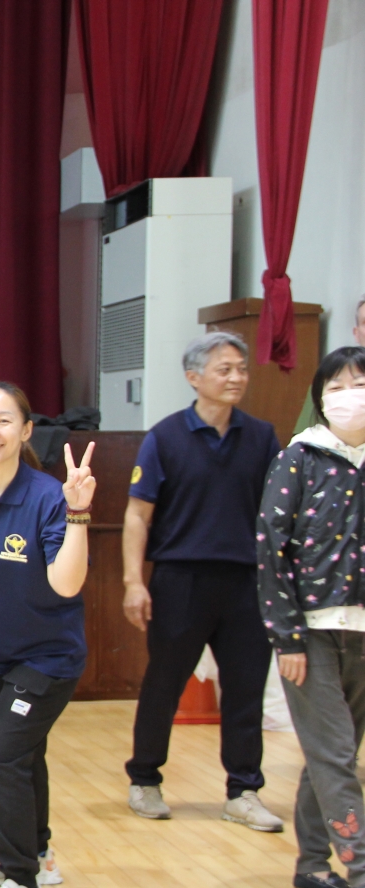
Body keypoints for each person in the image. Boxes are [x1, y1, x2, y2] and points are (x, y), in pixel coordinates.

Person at [121, 332, 282, 830]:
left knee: (245, 690)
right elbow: (137, 515)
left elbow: (277, 514)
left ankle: (244, 791)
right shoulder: (165, 437)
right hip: (181, 580)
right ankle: (145, 779)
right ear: (194, 377)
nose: (236, 378)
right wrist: (133, 581)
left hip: (247, 583)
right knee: (164, 683)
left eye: (242, 369)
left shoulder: (263, 437)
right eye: (224, 369)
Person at [0, 383, 95, 888]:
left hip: (48, 658)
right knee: (24, 755)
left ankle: (22, 886)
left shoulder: (48, 496)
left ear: (27, 430)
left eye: (4, 420)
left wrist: (78, 513)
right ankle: (38, 853)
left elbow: (67, 583)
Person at [258, 345, 365, 888]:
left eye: (360, 384)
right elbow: (270, 548)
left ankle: (313, 863)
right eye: (337, 387)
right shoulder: (299, 457)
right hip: (310, 633)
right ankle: (362, 869)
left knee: (332, 755)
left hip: (362, 633)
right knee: (335, 753)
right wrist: (286, 637)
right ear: (321, 399)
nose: (350, 396)